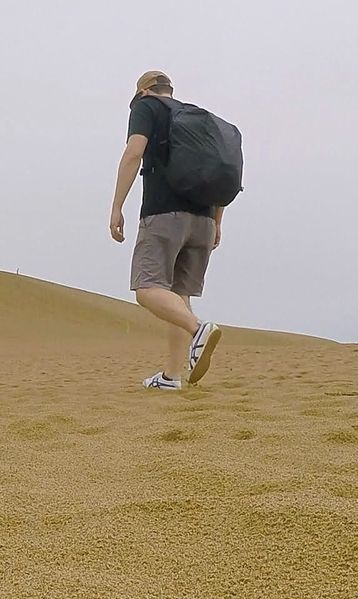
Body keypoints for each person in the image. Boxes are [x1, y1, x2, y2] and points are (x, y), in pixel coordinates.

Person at [110, 70, 223, 390]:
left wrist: (117, 206)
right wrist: (217, 221)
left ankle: (198, 329)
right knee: (178, 295)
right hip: (203, 218)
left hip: (164, 214)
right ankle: (172, 377)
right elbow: (219, 171)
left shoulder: (146, 107)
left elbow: (134, 153)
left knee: (146, 288)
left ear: (144, 91)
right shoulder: (197, 117)